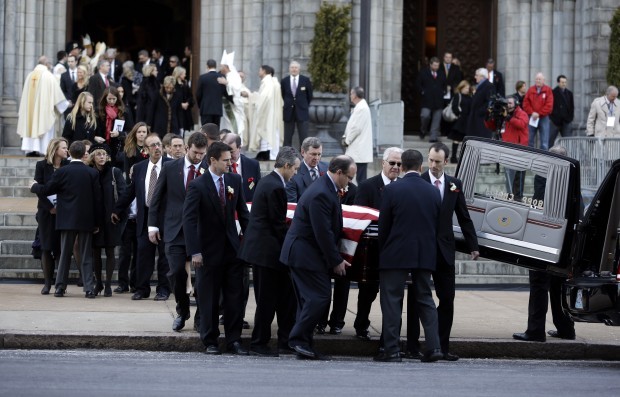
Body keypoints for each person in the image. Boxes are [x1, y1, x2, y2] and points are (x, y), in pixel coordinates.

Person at [406, 143, 479, 362]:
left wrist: (473, 245)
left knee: (447, 298)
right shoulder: (418, 182)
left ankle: (441, 346)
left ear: (446, 161)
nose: (434, 165)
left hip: (445, 250)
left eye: (438, 161)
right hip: (422, 249)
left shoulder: (454, 185)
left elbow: (464, 216)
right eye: (431, 160)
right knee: (417, 298)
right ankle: (412, 345)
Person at [280, 155, 356, 360]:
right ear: (339, 173)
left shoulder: (325, 187)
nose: (350, 182)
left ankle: (304, 343)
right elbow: (322, 232)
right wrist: (336, 261)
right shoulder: (322, 192)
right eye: (349, 177)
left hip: (305, 254)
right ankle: (297, 340)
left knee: (308, 301)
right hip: (304, 254)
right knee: (319, 297)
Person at [183, 141, 250, 355]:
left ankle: (234, 340)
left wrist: (248, 243)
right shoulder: (198, 185)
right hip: (207, 252)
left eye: (231, 159)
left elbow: (244, 214)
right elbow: (190, 220)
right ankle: (210, 340)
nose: (230, 164)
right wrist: (195, 251)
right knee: (209, 298)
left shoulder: (235, 180)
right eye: (226, 160)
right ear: (212, 160)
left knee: (234, 298)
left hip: (232, 250)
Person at [375, 149, 442, 363]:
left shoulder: (393, 190)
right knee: (425, 300)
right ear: (421, 167)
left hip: (396, 251)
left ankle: (392, 349)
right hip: (424, 253)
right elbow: (437, 225)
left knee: (392, 300)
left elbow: (383, 226)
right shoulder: (433, 192)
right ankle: (434, 347)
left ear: (402, 167)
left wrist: (383, 250)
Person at [238, 146, 301, 357]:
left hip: (267, 252)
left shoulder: (269, 182)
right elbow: (277, 224)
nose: (295, 174)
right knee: (267, 301)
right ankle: (258, 343)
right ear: (286, 166)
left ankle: (284, 340)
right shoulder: (276, 187)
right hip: (267, 253)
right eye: (295, 169)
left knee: (284, 299)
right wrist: (292, 246)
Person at [513, 145, 576, 343]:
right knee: (558, 286)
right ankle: (566, 328)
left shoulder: (543, 177)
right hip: (565, 243)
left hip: (544, 240)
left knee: (539, 285)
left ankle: (535, 331)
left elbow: (538, 208)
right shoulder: (573, 180)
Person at [148, 132, 208, 332]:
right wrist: (152, 226)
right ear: (186, 148)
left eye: (202, 153)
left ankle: (201, 315)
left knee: (203, 276)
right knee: (175, 273)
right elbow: (156, 198)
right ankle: (183, 310)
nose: (199, 157)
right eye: (195, 152)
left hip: (201, 232)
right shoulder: (170, 167)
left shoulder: (209, 169)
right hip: (175, 230)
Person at [30, 140, 102, 298]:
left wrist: (34, 186)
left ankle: (60, 288)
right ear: (84, 153)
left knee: (64, 255)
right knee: (85, 255)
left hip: (66, 219)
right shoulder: (92, 173)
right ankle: (89, 288)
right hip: (86, 220)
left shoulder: (62, 172)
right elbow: (97, 200)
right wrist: (97, 222)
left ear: (70, 152)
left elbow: (48, 189)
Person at [113, 133, 171, 301]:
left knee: (164, 256)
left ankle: (163, 289)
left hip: (165, 217)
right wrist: (117, 209)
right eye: (152, 145)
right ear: (145, 150)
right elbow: (130, 192)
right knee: (143, 254)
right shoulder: (139, 168)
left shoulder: (171, 165)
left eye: (159, 144)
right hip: (144, 216)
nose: (157, 148)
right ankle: (142, 289)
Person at [352, 147, 403, 341]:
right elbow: (359, 215)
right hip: (371, 249)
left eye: (399, 164)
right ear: (383, 163)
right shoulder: (367, 186)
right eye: (392, 163)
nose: (396, 167)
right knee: (368, 291)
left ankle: (390, 333)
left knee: (393, 294)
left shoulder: (403, 186)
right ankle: (361, 325)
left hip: (396, 249)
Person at [33, 138, 70, 294]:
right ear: (55, 150)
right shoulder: (41, 166)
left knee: (61, 248)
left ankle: (60, 284)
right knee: (47, 247)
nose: (66, 150)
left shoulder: (68, 166)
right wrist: (50, 208)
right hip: (46, 212)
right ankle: (47, 282)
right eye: (63, 148)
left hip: (64, 211)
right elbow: (38, 189)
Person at [89, 143, 126, 297]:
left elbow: (124, 193)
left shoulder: (114, 172)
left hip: (111, 218)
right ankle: (98, 283)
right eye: (98, 154)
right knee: (96, 253)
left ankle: (109, 284)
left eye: (104, 154)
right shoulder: (89, 172)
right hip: (95, 218)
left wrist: (117, 212)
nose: (102, 157)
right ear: (93, 157)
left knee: (110, 251)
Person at [17, 56, 69, 157]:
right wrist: (66, 104)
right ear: (46, 64)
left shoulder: (30, 75)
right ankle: (42, 150)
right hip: (42, 112)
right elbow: (56, 95)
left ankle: (30, 149)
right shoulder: (48, 76)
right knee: (42, 125)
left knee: (31, 125)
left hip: (30, 113)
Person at [484, 95, 529, 197]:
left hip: (520, 151)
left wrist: (508, 117)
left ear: (516, 104)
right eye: (506, 103)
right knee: (509, 176)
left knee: (518, 180)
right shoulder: (503, 115)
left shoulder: (521, 113)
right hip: (507, 150)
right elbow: (492, 127)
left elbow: (521, 124)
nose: (508, 105)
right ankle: (510, 197)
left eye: (510, 103)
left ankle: (518, 200)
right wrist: (488, 116)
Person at [248, 65, 284, 161]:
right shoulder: (273, 82)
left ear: (264, 71)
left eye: (260, 70)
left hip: (267, 114)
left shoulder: (268, 82)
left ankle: (267, 154)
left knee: (267, 132)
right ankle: (269, 153)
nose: (258, 72)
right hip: (272, 113)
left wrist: (254, 100)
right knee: (271, 133)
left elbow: (264, 98)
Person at [97, 86, 133, 167]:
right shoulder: (99, 111)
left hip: (118, 148)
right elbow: (95, 129)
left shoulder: (124, 111)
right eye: (109, 99)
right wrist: (96, 137)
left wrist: (119, 134)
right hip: (102, 147)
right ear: (105, 98)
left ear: (118, 98)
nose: (112, 101)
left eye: (114, 99)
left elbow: (130, 130)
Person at [342, 86, 373, 183]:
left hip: (359, 150)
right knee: (356, 177)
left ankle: (362, 197)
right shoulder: (360, 107)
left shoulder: (362, 108)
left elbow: (356, 128)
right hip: (358, 149)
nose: (350, 96)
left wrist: (347, 141)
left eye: (351, 93)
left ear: (355, 95)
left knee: (360, 179)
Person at [285, 137, 328, 203]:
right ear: (303, 152)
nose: (316, 158)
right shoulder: (293, 174)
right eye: (313, 154)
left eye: (319, 154)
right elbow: (292, 205)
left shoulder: (327, 168)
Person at [281, 60, 313, 147]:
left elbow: (309, 96)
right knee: (287, 136)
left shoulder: (305, 80)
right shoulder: (284, 81)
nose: (294, 69)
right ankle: (287, 155)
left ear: (299, 69)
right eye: (292, 67)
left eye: (296, 68)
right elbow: (282, 95)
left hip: (302, 111)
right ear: (289, 69)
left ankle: (303, 155)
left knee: (303, 136)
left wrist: (303, 105)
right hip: (288, 112)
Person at [222, 132, 261, 202]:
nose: (228, 156)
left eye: (231, 152)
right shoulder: (219, 165)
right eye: (225, 152)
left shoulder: (253, 165)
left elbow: (258, 191)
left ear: (239, 147)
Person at [416, 57, 446, 142]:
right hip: (427, 100)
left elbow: (444, 84)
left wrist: (443, 92)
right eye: (435, 65)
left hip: (438, 100)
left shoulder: (441, 73)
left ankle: (433, 136)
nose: (436, 67)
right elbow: (418, 84)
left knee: (436, 119)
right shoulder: (423, 72)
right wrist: (423, 91)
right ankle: (423, 130)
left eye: (437, 65)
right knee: (425, 116)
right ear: (430, 65)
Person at [523, 72, 554, 150]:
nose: (538, 81)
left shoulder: (548, 90)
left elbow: (549, 105)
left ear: (544, 80)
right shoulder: (530, 90)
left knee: (544, 142)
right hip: (532, 117)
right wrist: (532, 112)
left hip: (544, 118)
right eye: (536, 79)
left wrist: (539, 114)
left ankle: (543, 160)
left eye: (540, 79)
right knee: (529, 140)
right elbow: (525, 103)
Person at [218, 50, 245, 139]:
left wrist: (226, 83)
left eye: (222, 66)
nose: (220, 68)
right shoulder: (227, 75)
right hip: (226, 104)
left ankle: (235, 140)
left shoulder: (234, 75)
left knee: (234, 124)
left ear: (226, 66)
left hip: (233, 105)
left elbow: (236, 88)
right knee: (226, 124)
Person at [195, 59, 229, 126]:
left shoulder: (202, 78)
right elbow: (224, 92)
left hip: (205, 109)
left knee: (206, 131)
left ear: (207, 66)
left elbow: (198, 94)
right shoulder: (222, 77)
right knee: (215, 131)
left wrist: (200, 105)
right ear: (215, 66)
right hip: (217, 109)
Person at [447, 80, 472, 163]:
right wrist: (459, 114)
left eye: (468, 88)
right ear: (461, 88)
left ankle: (463, 158)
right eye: (466, 88)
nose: (467, 90)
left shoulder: (470, 97)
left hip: (468, 121)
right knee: (456, 139)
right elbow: (455, 106)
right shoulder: (458, 95)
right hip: (460, 120)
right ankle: (453, 157)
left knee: (466, 141)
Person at [466, 68, 495, 138]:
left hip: (481, 120)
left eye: (476, 75)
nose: (475, 77)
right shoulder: (479, 86)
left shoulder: (489, 86)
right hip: (475, 118)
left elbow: (490, 102)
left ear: (482, 76)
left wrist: (479, 112)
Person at [549, 75, 575, 145]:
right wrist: (553, 117)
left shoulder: (569, 94)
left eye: (565, 82)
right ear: (558, 83)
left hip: (566, 121)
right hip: (555, 122)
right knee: (550, 140)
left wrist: (570, 118)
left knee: (568, 142)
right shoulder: (553, 93)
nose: (564, 84)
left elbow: (572, 107)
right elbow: (550, 106)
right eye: (562, 82)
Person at [172, 66, 195, 136]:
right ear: (179, 74)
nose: (185, 75)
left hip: (184, 112)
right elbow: (172, 97)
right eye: (183, 74)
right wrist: (180, 104)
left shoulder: (185, 84)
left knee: (183, 131)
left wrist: (187, 103)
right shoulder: (173, 84)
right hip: (175, 112)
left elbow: (190, 96)